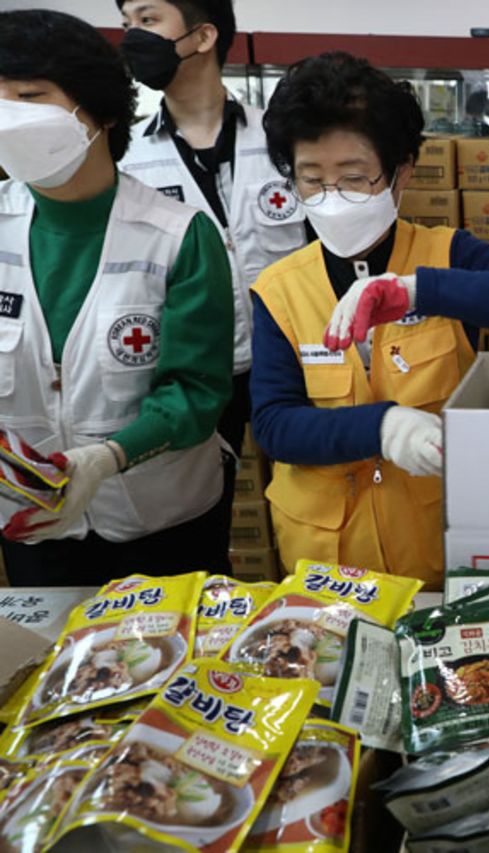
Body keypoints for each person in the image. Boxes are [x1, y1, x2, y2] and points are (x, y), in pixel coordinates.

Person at [252, 52, 489, 587]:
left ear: (402, 171)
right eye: (311, 179)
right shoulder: (278, 289)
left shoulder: (447, 255)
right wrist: (382, 426)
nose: (332, 198)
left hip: (437, 557)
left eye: (354, 179)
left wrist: (418, 289)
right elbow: (274, 425)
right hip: (327, 568)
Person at [0, 10, 234, 586]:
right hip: (34, 521)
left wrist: (106, 458)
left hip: (162, 519)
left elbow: (197, 390)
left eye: (31, 96)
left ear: (98, 111)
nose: (10, 118)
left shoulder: (178, 234)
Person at [116, 0, 309, 557]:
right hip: (195, 372)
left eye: (148, 20)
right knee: (197, 522)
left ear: (203, 36)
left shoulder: (281, 142)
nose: (132, 35)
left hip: (288, 363)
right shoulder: (128, 156)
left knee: (308, 506)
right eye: (127, 22)